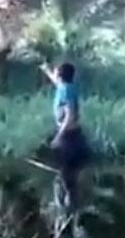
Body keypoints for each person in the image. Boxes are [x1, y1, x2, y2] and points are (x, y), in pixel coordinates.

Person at [39, 61, 91, 233]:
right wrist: (46, 70)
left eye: (56, 71)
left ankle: (71, 215)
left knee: (67, 177)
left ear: (61, 74)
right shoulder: (67, 86)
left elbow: (70, 116)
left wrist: (58, 137)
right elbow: (57, 82)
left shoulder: (66, 90)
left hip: (69, 138)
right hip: (72, 135)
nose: (55, 74)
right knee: (68, 177)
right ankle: (70, 212)